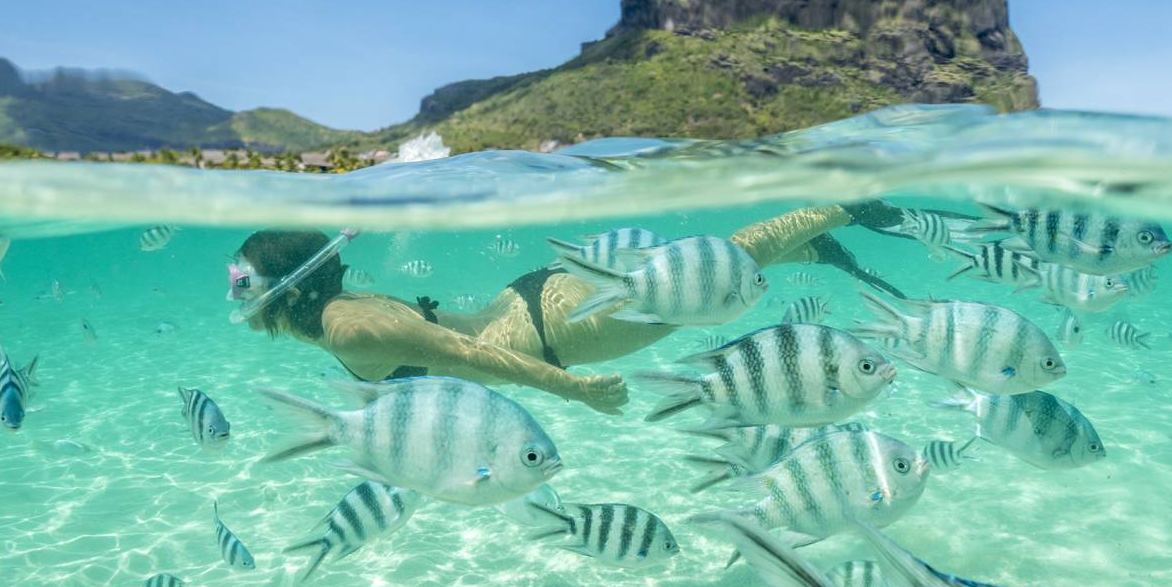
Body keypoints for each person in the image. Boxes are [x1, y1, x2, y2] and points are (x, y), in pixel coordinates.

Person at [227, 202, 910, 415]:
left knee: (719, 269)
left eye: (244, 281)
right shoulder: (335, 315)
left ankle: (847, 206)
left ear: (288, 285)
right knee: (719, 269)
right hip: (537, 304)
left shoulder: (351, 326)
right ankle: (817, 247)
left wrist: (573, 390)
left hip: (559, 332)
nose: (237, 294)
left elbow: (472, 354)